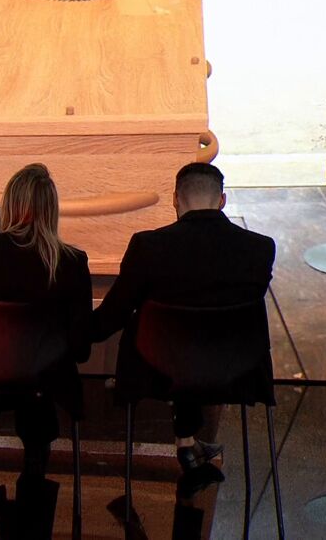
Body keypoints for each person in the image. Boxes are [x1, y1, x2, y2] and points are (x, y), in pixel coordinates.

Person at [91, 162, 276, 473]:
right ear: (222, 201)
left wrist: (73, 332)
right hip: (234, 367)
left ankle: (187, 441)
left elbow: (113, 315)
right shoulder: (259, 249)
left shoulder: (148, 247)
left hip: (158, 368)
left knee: (175, 334)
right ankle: (187, 442)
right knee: (199, 331)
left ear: (175, 199)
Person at [0, 163, 92, 491]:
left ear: (9, 205)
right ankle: (35, 462)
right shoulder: (72, 262)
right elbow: (81, 347)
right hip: (49, 370)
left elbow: (6, 270)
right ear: (52, 209)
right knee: (41, 364)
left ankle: (8, 401)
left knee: (24, 357)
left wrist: (1, 231)